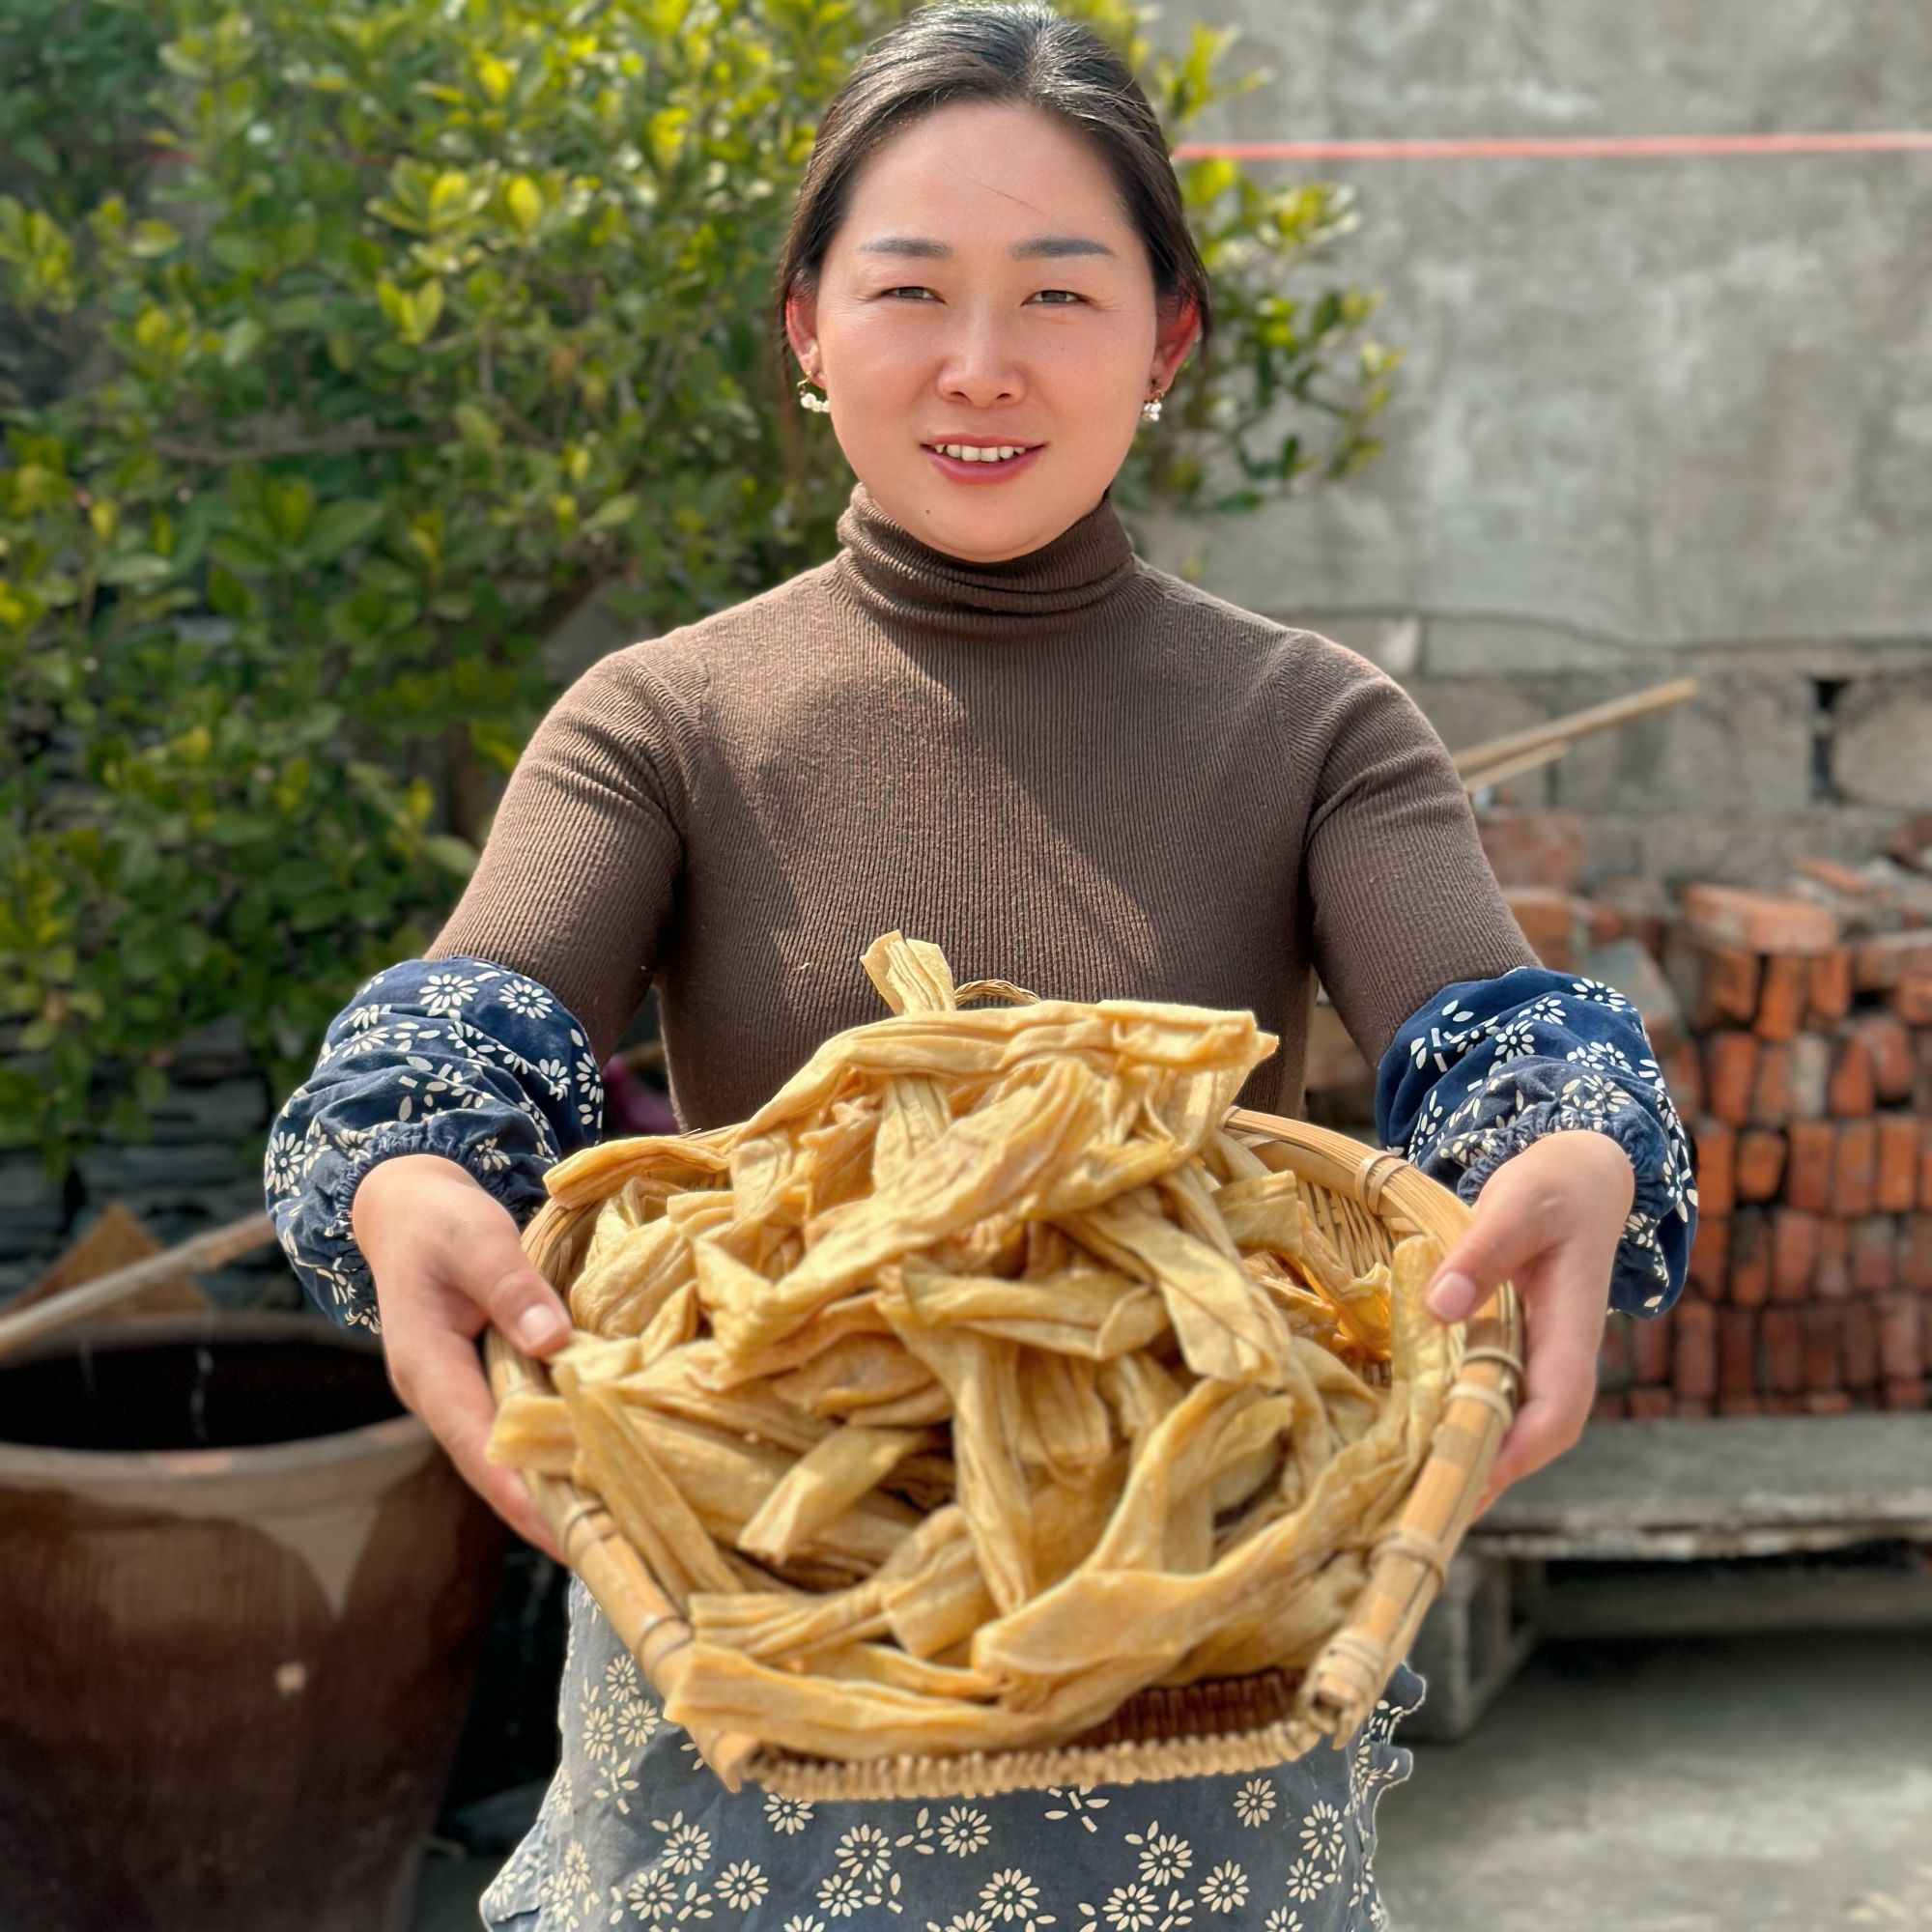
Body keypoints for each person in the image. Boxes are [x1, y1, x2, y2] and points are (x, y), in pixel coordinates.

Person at [265, 6, 1694, 1926]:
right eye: (909, 288)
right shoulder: (667, 718)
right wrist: (411, 1169)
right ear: (805, 326)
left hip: (1181, 1685)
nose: (979, 364)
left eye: (1060, 293)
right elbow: (470, 1021)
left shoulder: (1313, 726)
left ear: (1168, 339)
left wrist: (1575, 1149)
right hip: (757, 1668)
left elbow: (1490, 1034)